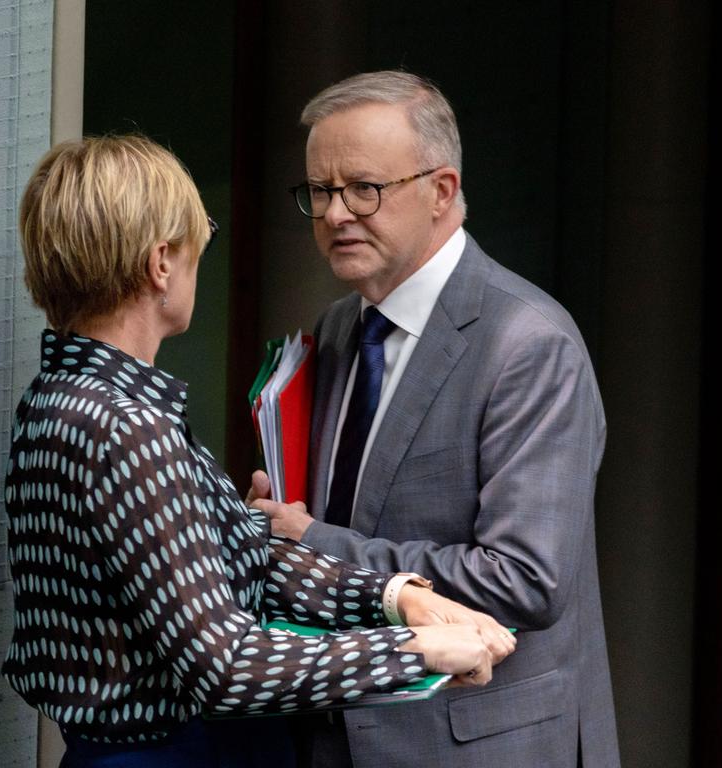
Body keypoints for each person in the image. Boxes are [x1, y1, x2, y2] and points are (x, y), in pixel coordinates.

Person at [0, 134, 515, 767]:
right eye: (198, 236)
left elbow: (240, 557)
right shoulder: (125, 426)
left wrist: (396, 596)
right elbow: (226, 666)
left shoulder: (61, 398)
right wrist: (413, 650)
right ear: (160, 263)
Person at [253, 71, 619, 767]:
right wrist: (275, 520)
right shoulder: (336, 329)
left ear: (441, 191)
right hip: (335, 736)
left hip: (480, 747)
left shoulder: (529, 343)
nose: (334, 215)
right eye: (321, 192)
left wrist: (311, 541)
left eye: (364, 188)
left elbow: (524, 579)